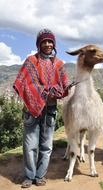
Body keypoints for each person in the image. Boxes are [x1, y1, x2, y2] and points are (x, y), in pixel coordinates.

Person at [13, 28, 69, 188]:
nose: (47, 44)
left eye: (50, 41)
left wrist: (60, 90)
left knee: (46, 145)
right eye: (44, 41)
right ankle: (29, 176)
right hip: (31, 110)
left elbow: (64, 85)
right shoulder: (31, 61)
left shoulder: (59, 65)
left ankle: (40, 176)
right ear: (39, 44)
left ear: (54, 44)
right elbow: (21, 82)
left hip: (50, 109)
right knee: (30, 145)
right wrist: (41, 91)